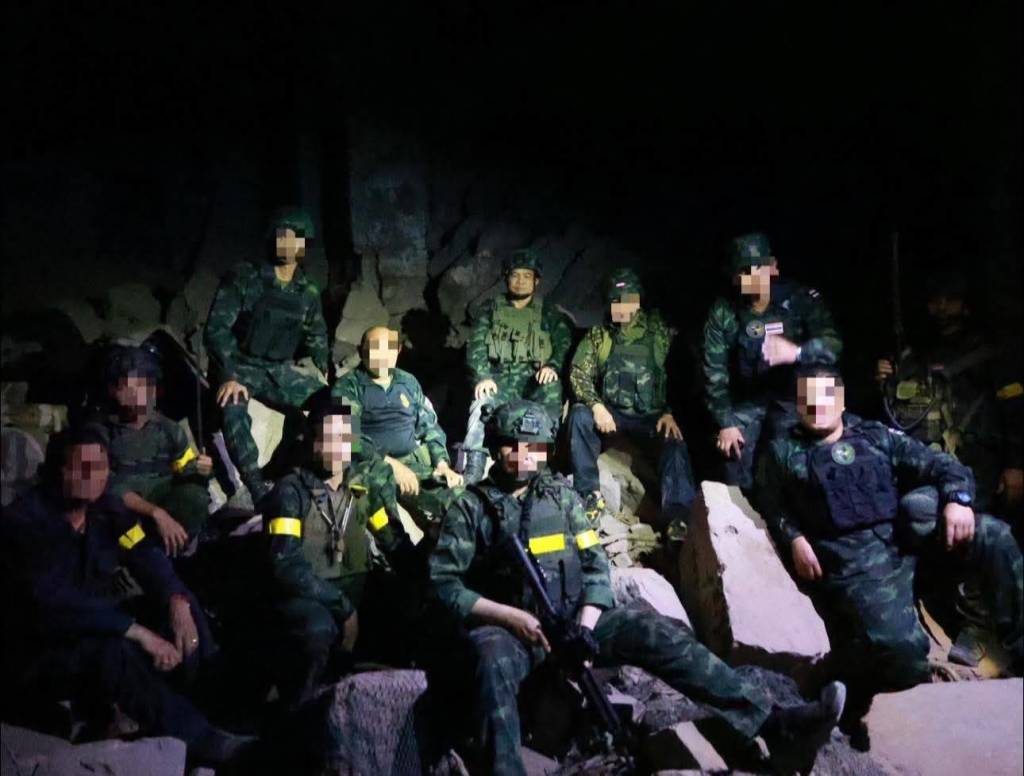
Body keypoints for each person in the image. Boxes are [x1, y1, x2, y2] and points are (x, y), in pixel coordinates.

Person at [428, 399, 846, 776]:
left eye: (532, 447)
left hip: (572, 622)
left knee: (653, 629)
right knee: (491, 660)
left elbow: (595, 566)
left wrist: (586, 626)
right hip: (512, 633)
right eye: (512, 446)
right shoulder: (471, 508)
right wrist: (510, 618)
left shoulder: (561, 498)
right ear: (496, 446)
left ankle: (774, 724)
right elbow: (444, 584)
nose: (522, 456)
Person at [757, 365, 1024, 749]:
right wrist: (794, 537)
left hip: (906, 540)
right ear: (798, 405)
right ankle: (851, 683)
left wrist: (957, 499)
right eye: (807, 398)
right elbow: (770, 503)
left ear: (842, 400)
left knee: (994, 535)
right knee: (904, 657)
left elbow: (941, 464)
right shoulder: (782, 451)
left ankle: (1018, 645)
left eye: (826, 395)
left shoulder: (875, 433)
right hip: (858, 563)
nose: (817, 405)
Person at [0, 429, 252, 764]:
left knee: (182, 606)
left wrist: (176, 599)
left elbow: (144, 554)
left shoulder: (107, 512)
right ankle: (201, 740)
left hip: (95, 627)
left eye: (100, 466)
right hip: (37, 651)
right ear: (55, 471)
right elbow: (52, 603)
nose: (93, 476)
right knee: (113, 651)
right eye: (81, 467)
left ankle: (212, 709)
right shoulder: (22, 522)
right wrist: (135, 630)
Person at [248, 400, 421, 710]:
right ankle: (299, 709)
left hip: (354, 589)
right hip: (309, 596)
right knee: (317, 629)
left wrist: (427, 566)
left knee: (410, 606)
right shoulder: (291, 492)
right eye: (328, 439)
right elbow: (286, 566)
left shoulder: (360, 487)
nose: (337, 448)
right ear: (313, 442)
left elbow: (390, 539)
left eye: (344, 438)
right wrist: (343, 607)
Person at [205, 206, 329, 502]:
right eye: (282, 236)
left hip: (279, 371)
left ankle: (334, 473)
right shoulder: (245, 277)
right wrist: (228, 374)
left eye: (295, 238)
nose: (288, 243)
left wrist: (323, 370)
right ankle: (257, 489)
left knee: (334, 403)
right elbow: (217, 329)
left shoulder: (307, 291)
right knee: (232, 409)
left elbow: (316, 334)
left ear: (304, 244)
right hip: (241, 366)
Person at [876, 268, 1023, 517]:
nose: (942, 307)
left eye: (950, 299)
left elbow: (1014, 410)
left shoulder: (988, 352)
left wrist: (1015, 466)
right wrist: (885, 378)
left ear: (965, 304)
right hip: (926, 464)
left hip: (979, 464)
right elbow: (894, 413)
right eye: (935, 301)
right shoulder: (914, 353)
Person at [703, 232, 842, 491]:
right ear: (735, 277)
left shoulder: (799, 300)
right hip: (748, 401)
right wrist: (726, 423)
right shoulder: (724, 312)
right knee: (731, 451)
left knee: (790, 461)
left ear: (773, 267)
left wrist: (797, 352)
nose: (753, 276)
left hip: (796, 400)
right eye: (745, 271)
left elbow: (833, 345)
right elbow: (714, 374)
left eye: (759, 267)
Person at [567, 268, 696, 528]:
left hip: (652, 418)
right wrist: (596, 406)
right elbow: (578, 372)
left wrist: (670, 411)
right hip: (612, 415)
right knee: (579, 415)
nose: (621, 306)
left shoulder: (660, 333)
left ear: (638, 301)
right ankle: (589, 494)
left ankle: (678, 518)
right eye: (615, 300)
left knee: (675, 441)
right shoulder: (600, 335)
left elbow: (683, 374)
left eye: (627, 299)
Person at [332, 326, 461, 533]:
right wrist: (392, 465)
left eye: (388, 348)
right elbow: (348, 436)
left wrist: (443, 465)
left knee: (458, 497)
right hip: (371, 465)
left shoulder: (408, 382)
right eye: (374, 348)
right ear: (361, 351)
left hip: (411, 463)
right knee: (379, 498)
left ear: (398, 350)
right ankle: (396, 544)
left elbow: (429, 425)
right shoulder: (348, 386)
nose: (382, 356)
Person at [460, 248, 573, 484]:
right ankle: (474, 466)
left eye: (527, 276)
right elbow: (475, 346)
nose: (520, 281)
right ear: (506, 278)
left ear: (536, 281)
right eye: (515, 275)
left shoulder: (548, 312)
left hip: (534, 380)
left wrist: (552, 366)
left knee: (552, 391)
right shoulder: (490, 309)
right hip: (499, 378)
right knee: (482, 400)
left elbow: (563, 344)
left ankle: (544, 464)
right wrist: (482, 376)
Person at [87, 344, 213, 555]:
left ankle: (176, 549)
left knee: (196, 497)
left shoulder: (169, 430)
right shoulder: (99, 432)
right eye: (129, 386)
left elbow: (187, 473)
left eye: (144, 385)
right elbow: (105, 486)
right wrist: (155, 512)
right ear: (113, 390)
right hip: (124, 514)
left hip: (161, 506)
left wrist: (202, 470)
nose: (139, 394)